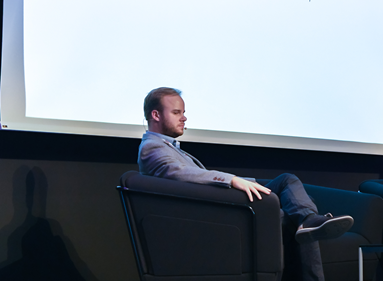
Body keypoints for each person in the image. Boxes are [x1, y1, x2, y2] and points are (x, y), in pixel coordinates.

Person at [138, 87, 353, 281]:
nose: (184, 118)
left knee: (288, 182)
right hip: (211, 216)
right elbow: (181, 174)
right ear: (156, 115)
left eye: (183, 112)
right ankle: (306, 224)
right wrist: (232, 180)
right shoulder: (152, 148)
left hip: (218, 204)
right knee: (289, 217)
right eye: (177, 113)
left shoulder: (166, 146)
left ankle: (308, 219)